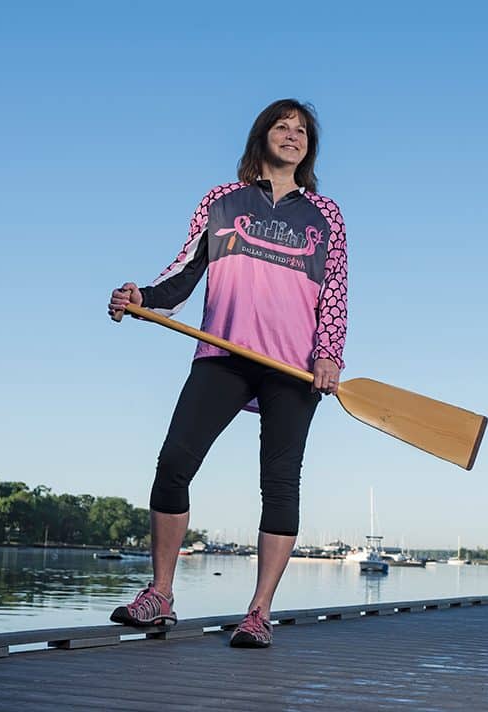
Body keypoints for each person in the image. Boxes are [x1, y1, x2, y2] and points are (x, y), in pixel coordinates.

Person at [107, 98, 347, 648]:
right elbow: (185, 271)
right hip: (222, 355)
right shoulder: (221, 201)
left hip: (291, 367)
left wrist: (329, 354)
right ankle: (160, 595)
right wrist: (143, 296)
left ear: (309, 147)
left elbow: (335, 292)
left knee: (279, 484)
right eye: (282, 127)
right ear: (261, 137)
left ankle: (258, 612)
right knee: (173, 465)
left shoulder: (326, 214)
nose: (292, 136)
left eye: (301, 130)